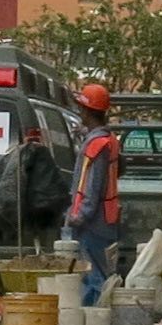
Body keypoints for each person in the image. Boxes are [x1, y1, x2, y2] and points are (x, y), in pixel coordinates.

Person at [64, 83, 134, 304]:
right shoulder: (109, 141)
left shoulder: (95, 146)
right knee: (100, 273)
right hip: (106, 217)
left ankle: (93, 324)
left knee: (92, 277)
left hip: (92, 221)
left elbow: (91, 187)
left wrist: (77, 217)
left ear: (86, 111)